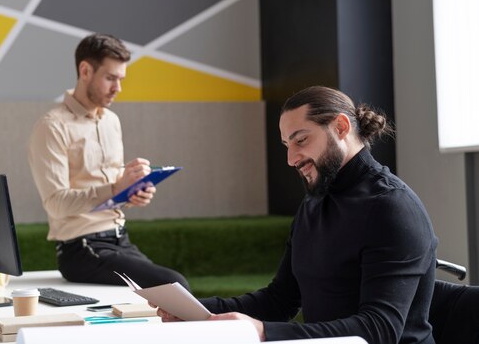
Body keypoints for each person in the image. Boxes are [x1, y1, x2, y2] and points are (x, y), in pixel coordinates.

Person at [157, 86, 437, 343]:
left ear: (341, 127)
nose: (291, 159)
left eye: (301, 140)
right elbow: (281, 300)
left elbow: (379, 330)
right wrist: (193, 309)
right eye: (286, 145)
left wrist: (264, 331)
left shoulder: (393, 208)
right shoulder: (314, 202)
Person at [28, 33, 189, 290]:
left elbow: (112, 192)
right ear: (85, 71)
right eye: (110, 78)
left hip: (120, 240)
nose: (118, 88)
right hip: (81, 249)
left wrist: (132, 193)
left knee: (172, 294)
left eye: (120, 79)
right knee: (174, 284)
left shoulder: (111, 121)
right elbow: (56, 204)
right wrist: (115, 189)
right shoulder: (51, 127)